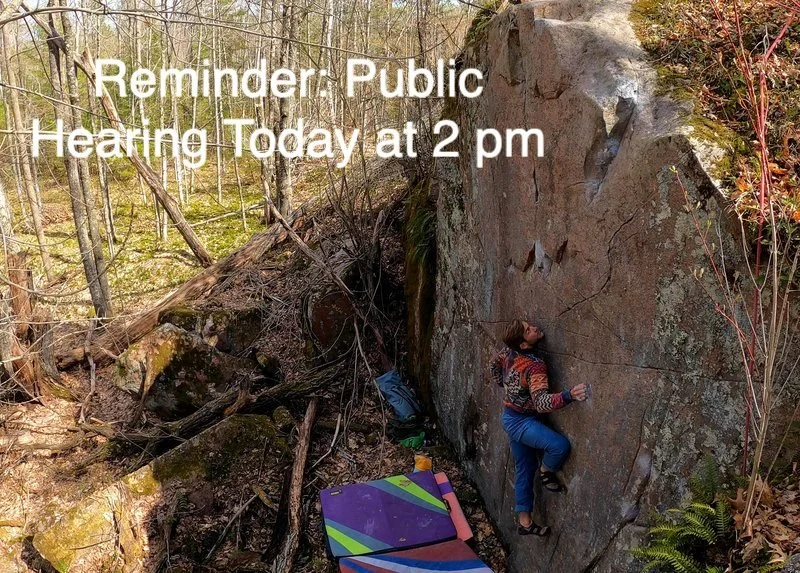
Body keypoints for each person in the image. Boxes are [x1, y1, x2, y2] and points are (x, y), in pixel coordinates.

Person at [489, 319, 587, 536]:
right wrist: (569, 395)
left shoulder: (507, 352)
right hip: (520, 422)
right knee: (559, 446)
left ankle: (525, 522)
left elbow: (493, 365)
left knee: (524, 467)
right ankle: (546, 471)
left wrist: (504, 385)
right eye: (527, 330)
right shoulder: (534, 365)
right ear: (523, 344)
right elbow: (542, 403)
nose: (533, 327)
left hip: (512, 416)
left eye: (528, 324)